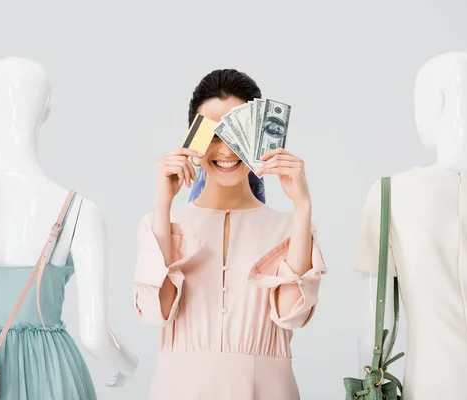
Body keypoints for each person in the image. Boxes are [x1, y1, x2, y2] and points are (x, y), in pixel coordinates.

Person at [133, 69, 326, 400]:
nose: (225, 150)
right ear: (193, 138)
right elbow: (157, 312)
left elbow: (292, 315)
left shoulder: (289, 227)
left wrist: (303, 206)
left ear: (259, 135)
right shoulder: (163, 223)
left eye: (237, 133)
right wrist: (163, 203)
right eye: (214, 134)